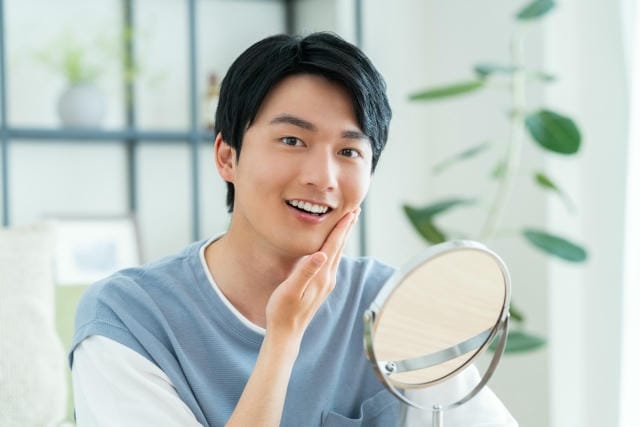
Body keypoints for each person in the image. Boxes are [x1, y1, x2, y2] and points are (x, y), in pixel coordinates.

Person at [69, 32, 517, 426]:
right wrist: (283, 336)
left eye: (349, 151)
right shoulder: (129, 319)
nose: (322, 177)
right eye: (291, 140)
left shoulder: (393, 303)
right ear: (227, 157)